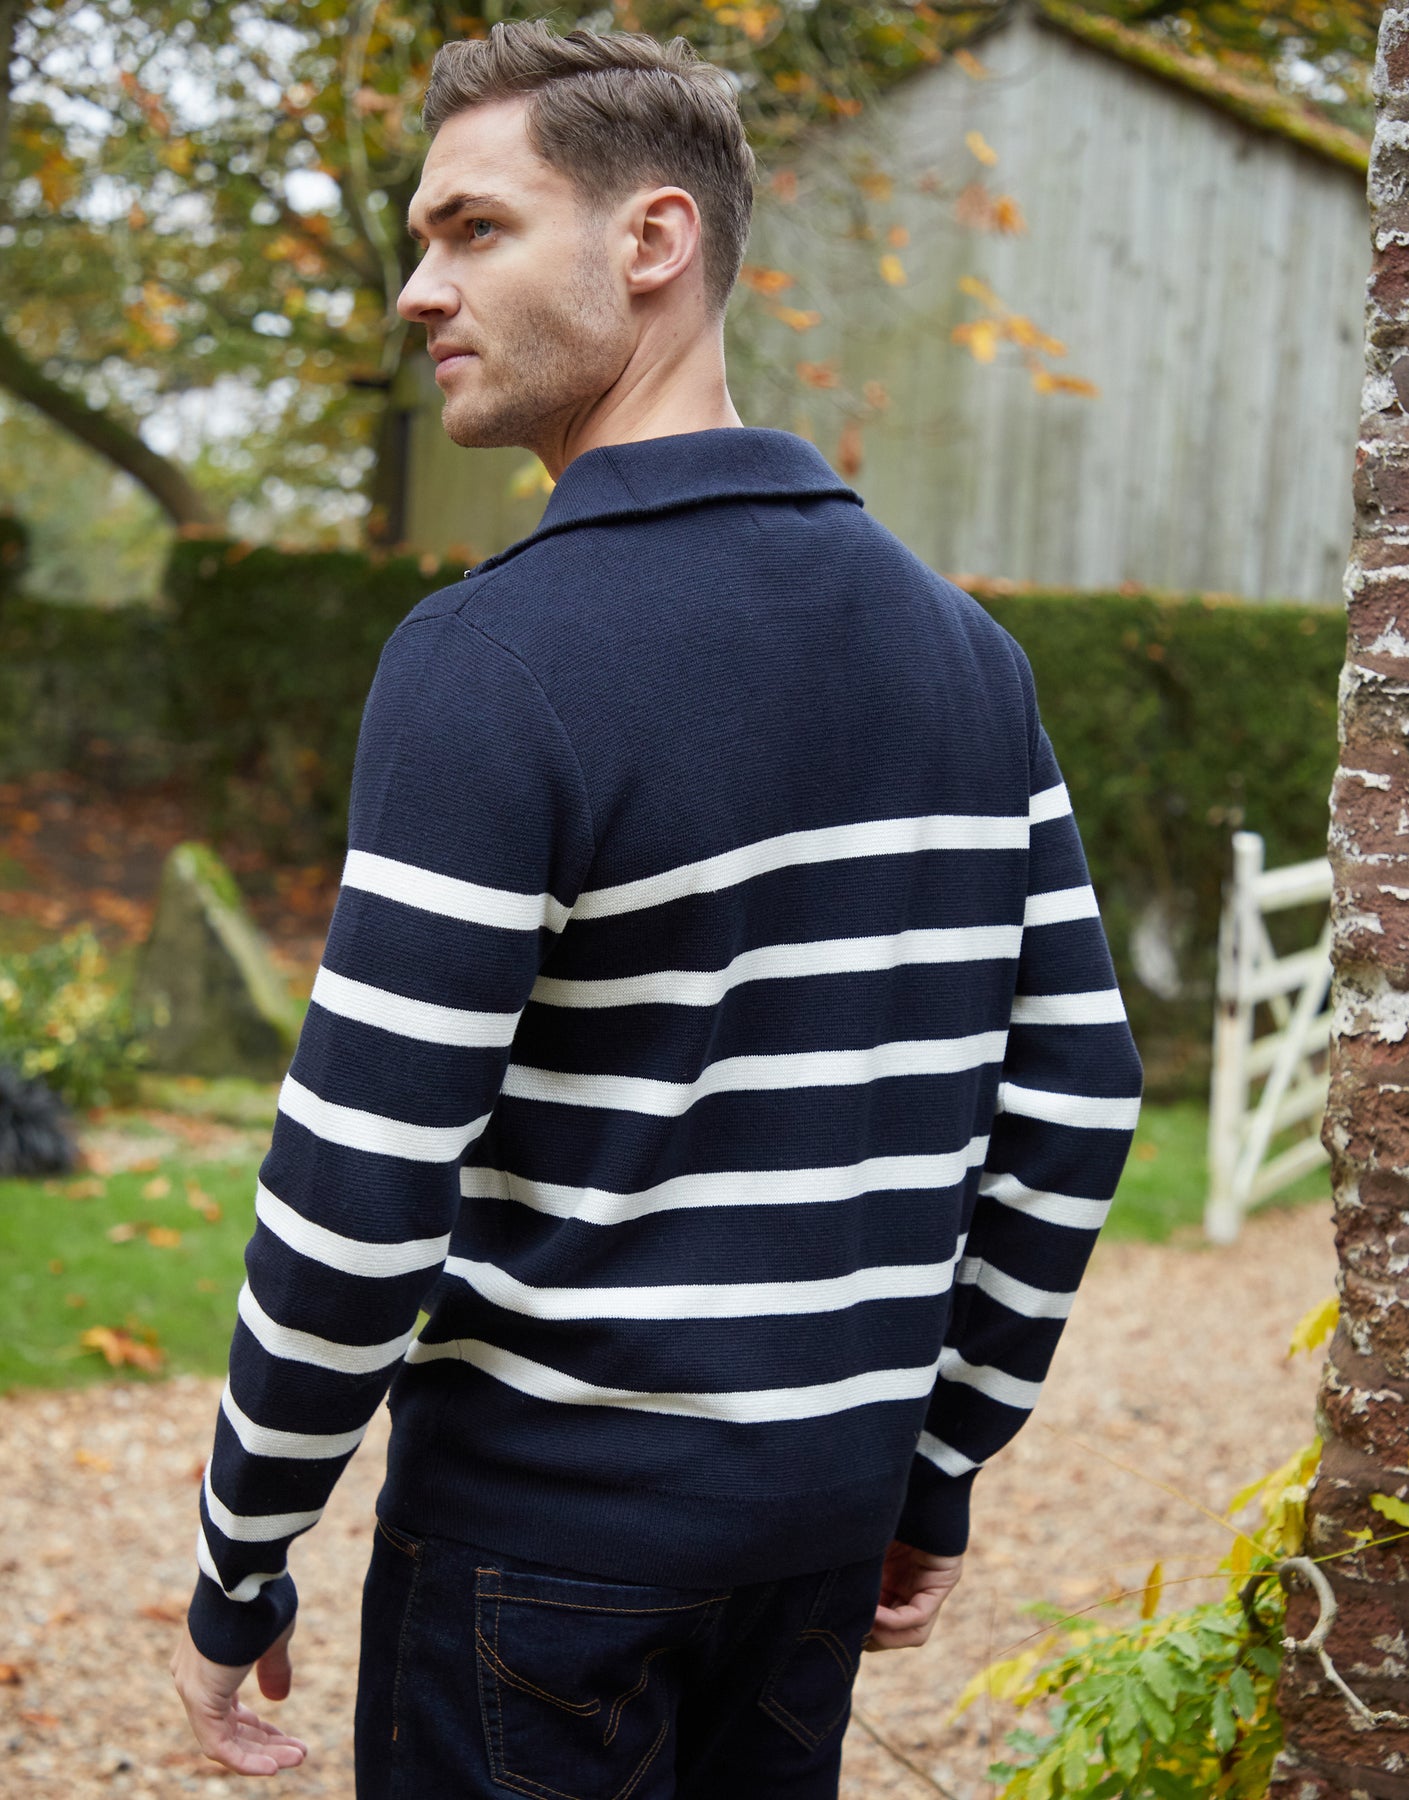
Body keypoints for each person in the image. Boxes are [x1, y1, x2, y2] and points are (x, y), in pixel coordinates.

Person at [171, 20, 1142, 1796]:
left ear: (652, 239)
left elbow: (360, 1186)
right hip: (817, 1538)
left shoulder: (489, 661)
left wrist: (246, 1545)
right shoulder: (965, 657)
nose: (416, 289)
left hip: (537, 1559)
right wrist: (934, 1467)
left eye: (473, 229)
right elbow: (1077, 1101)